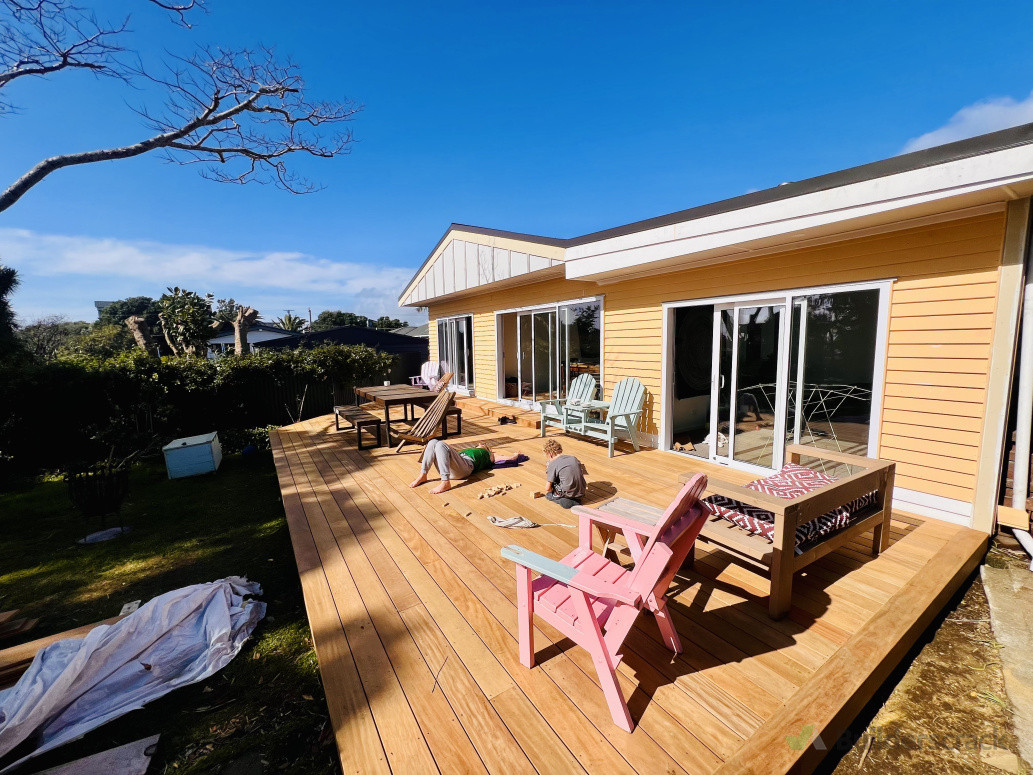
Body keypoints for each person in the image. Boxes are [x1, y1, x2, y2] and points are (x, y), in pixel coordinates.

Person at [410, 440, 521, 494]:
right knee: (433, 442)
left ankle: (445, 482)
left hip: (466, 468)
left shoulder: (489, 454)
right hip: (452, 467)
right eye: (480, 444)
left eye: (484, 444)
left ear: (488, 448)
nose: (481, 444)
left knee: (440, 444)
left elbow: (504, 458)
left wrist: (514, 456)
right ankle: (423, 474)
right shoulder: (467, 451)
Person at [542, 439, 586, 509]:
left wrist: (552, 490)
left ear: (549, 454)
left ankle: (565, 500)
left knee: (548, 495)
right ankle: (573, 499)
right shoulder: (573, 458)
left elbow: (547, 488)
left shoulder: (553, 463)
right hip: (581, 492)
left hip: (568, 494)